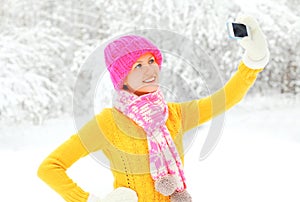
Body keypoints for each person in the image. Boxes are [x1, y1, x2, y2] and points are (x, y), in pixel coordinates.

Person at [37, 16, 270, 202]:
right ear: (123, 78)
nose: (150, 71)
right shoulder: (108, 123)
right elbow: (50, 168)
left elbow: (226, 98)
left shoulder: (175, 114)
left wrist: (253, 61)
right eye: (137, 65)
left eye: (151, 61)